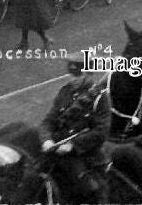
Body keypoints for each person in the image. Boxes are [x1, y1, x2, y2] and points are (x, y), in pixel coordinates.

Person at [41, 54, 110, 204]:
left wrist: (73, 145)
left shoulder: (100, 98)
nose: (73, 78)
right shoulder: (65, 92)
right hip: (56, 152)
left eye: (77, 75)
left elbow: (101, 131)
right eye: (71, 74)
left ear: (88, 73)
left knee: (90, 190)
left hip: (85, 155)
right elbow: (48, 121)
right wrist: (46, 139)